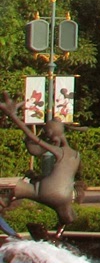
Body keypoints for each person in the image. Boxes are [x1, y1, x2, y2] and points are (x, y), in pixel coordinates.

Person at [0, 92, 80, 236]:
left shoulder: (59, 151)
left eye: (46, 133)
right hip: (66, 196)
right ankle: (58, 236)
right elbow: (37, 152)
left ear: (52, 133)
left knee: (16, 189)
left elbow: (33, 139)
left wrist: (13, 116)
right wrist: (38, 177)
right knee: (66, 217)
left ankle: (7, 221)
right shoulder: (75, 154)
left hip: (46, 191)